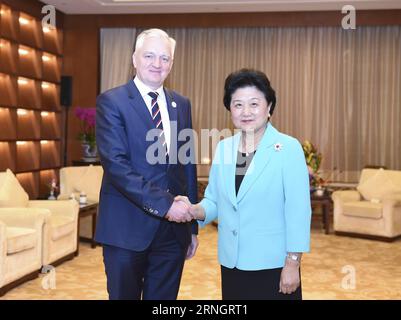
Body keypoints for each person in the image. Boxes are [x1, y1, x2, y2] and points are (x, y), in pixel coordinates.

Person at [177, 68, 311, 300]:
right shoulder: (225, 148)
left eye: (254, 104)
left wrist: (293, 263)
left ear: (269, 107)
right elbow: (214, 201)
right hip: (232, 262)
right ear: (229, 109)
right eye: (238, 104)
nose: (246, 112)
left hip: (273, 265)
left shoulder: (288, 148)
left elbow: (298, 211)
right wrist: (194, 209)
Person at [95, 28, 198, 300]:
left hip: (172, 233)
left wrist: (192, 227)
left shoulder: (182, 104)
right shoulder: (111, 101)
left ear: (172, 63)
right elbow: (116, 166)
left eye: (165, 58)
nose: (157, 64)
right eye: (149, 55)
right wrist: (166, 206)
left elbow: (186, 164)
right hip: (126, 229)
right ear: (134, 58)